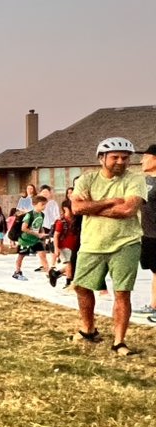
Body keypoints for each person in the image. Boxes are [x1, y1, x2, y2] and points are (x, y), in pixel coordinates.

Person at [70, 137, 147, 355]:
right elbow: (76, 208)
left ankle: (119, 341)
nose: (121, 161)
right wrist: (111, 201)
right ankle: (88, 330)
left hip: (126, 243)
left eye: (125, 157)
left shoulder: (135, 180)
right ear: (101, 158)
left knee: (122, 292)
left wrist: (91, 207)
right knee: (81, 287)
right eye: (115, 157)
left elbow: (127, 211)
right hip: (92, 243)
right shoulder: (86, 180)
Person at [12, 196, 50, 280]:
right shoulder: (29, 215)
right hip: (25, 240)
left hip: (35, 240)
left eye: (45, 205)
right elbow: (24, 228)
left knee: (43, 255)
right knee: (21, 256)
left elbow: (40, 226)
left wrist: (42, 234)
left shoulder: (42, 215)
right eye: (42, 204)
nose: (44, 207)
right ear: (34, 204)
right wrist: (37, 234)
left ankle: (48, 273)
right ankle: (17, 272)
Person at [48, 200, 79, 289]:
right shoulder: (61, 221)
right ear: (65, 208)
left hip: (73, 247)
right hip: (64, 247)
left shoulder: (75, 219)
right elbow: (56, 235)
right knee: (70, 263)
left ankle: (55, 273)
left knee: (74, 264)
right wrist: (56, 248)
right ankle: (68, 283)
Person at [141, 143, 156, 320]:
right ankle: (153, 305)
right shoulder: (145, 181)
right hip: (148, 233)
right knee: (154, 271)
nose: (142, 161)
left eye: (145, 157)